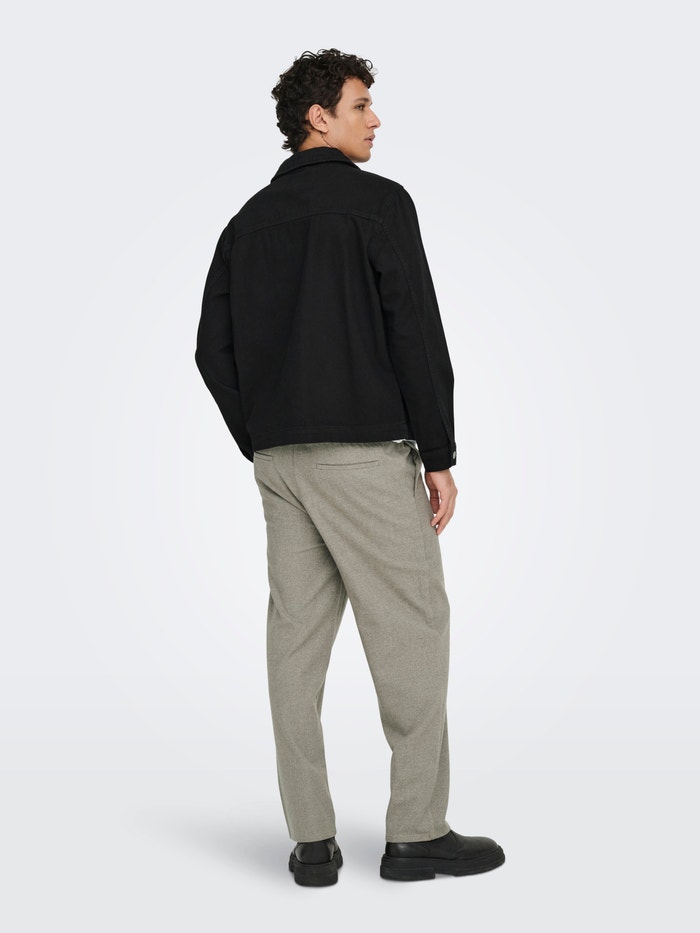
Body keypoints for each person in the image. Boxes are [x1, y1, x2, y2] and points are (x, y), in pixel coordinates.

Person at [195, 48, 505, 886]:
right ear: (318, 117)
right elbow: (415, 330)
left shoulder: (246, 223)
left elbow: (212, 349)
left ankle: (311, 840)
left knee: (294, 642)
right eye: (361, 105)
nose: (375, 119)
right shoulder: (377, 203)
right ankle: (416, 832)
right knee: (412, 627)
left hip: (281, 463)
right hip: (364, 454)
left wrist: (264, 435)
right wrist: (439, 454)